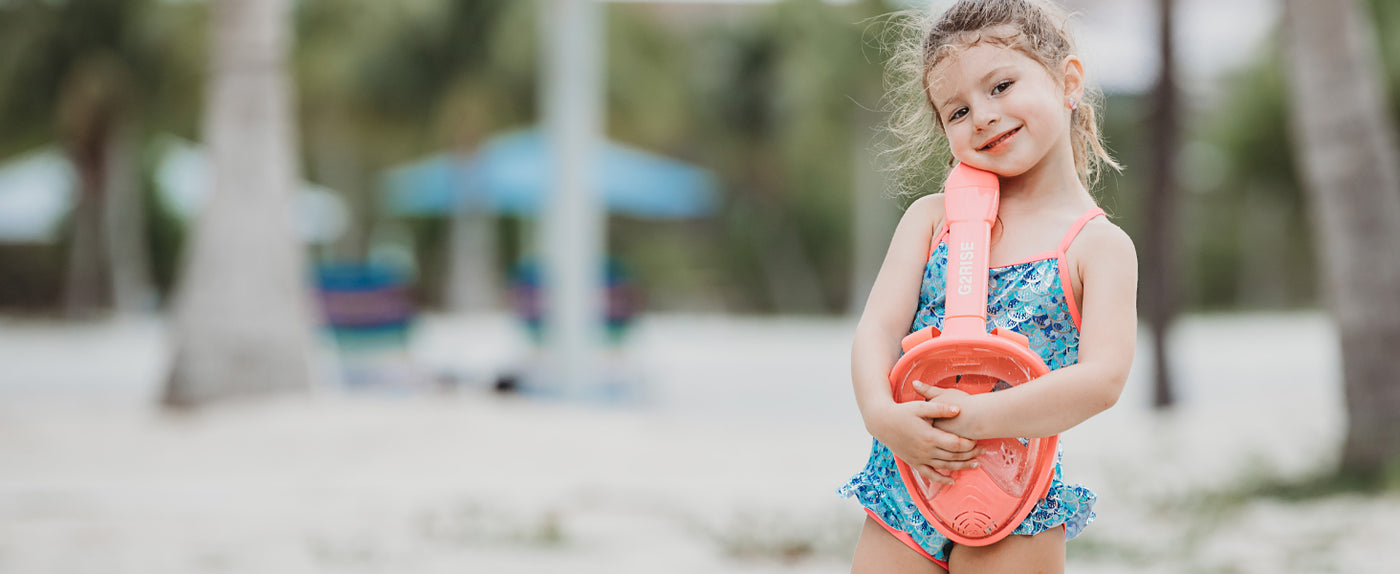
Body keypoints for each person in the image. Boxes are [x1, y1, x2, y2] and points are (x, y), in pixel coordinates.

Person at [838, 0, 1138, 572]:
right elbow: (875, 330)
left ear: (1067, 81)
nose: (982, 115)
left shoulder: (1097, 247)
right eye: (956, 111)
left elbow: (1103, 380)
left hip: (1016, 493)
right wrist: (881, 414)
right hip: (907, 480)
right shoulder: (931, 221)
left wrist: (977, 420)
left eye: (1001, 86)